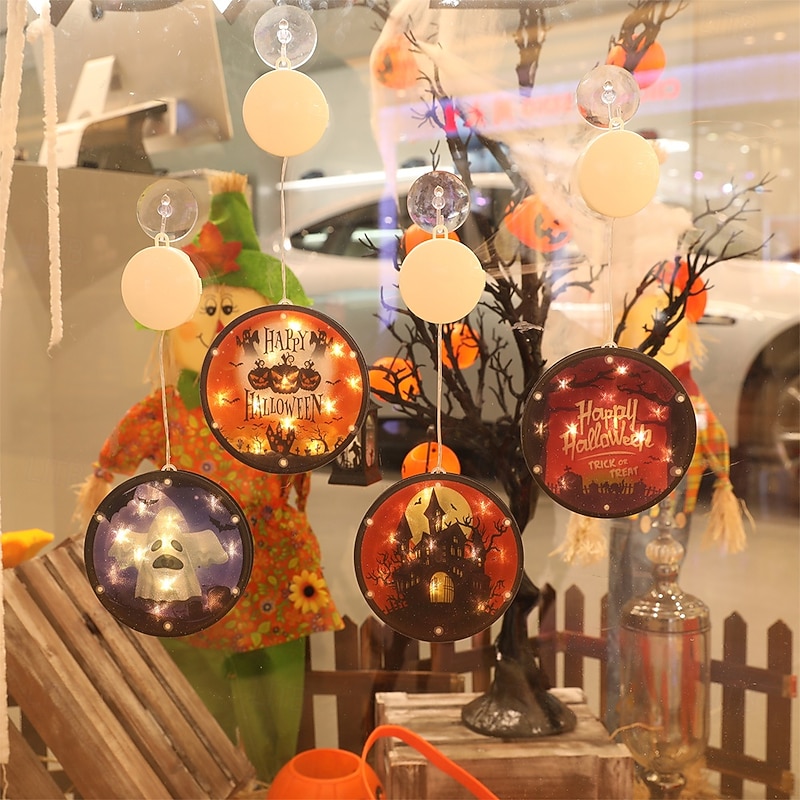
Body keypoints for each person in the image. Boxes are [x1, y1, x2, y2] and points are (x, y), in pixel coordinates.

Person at [75, 172, 343, 783]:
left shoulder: (276, 400)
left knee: (272, 694)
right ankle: (204, 783)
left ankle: (276, 783)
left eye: (231, 310)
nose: (217, 322)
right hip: (183, 569)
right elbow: (110, 468)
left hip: (272, 568)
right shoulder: (166, 409)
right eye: (208, 309)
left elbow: (320, 435)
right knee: (193, 701)